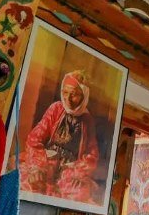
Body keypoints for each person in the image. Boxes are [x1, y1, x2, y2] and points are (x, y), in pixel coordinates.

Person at [22, 70, 99, 202]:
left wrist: (78, 172)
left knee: (80, 193)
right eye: (65, 92)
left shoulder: (87, 120)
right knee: (30, 183)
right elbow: (34, 139)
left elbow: (92, 154)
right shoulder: (56, 108)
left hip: (69, 169)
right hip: (47, 161)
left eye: (74, 94)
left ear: (84, 96)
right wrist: (38, 166)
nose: (67, 99)